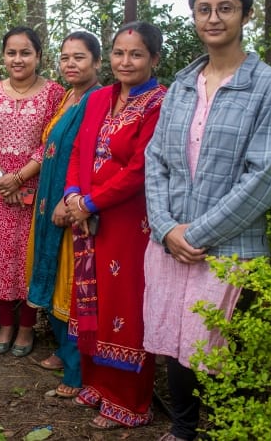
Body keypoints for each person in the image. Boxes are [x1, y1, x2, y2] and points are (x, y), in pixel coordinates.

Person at [143, 0, 271, 441]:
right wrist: (166, 227)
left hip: (228, 247)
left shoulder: (270, 87)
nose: (214, 18)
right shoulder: (182, 85)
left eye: (225, 8)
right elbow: (156, 159)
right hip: (172, 241)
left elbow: (261, 178)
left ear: (246, 15)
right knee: (175, 339)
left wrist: (196, 234)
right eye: (204, 9)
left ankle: (228, 430)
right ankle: (183, 430)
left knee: (216, 345)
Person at [62, 22, 166, 430]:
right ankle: (98, 385)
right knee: (94, 300)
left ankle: (129, 402)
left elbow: (140, 169)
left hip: (129, 222)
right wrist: (73, 194)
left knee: (125, 305)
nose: (126, 61)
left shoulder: (159, 104)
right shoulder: (99, 97)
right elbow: (78, 150)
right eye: (119, 53)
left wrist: (89, 203)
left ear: (154, 59)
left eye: (136, 54)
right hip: (88, 218)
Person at [0, 26, 64, 357]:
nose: (18, 59)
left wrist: (20, 177)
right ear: (3, 56)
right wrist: (2, 178)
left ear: (38, 56)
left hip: (35, 187)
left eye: (25, 52)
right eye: (11, 52)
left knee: (28, 256)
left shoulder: (54, 93)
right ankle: (5, 324)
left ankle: (26, 327)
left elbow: (51, 141)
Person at [26, 32, 103, 395]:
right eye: (65, 57)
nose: (71, 64)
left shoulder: (99, 100)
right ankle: (62, 348)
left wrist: (72, 201)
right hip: (47, 200)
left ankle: (76, 368)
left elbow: (93, 156)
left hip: (72, 205)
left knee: (72, 283)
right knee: (52, 271)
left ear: (97, 62)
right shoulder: (67, 96)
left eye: (80, 57)